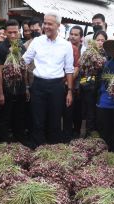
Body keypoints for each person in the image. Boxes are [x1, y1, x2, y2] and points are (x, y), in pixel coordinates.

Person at [22, 12, 74, 147]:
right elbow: (25, 60)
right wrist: (13, 60)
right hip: (38, 85)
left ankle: (53, 148)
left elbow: (69, 70)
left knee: (55, 119)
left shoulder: (65, 45)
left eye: (50, 24)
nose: (46, 26)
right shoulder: (37, 42)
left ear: (58, 26)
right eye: (45, 23)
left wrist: (69, 91)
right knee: (37, 119)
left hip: (57, 86)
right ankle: (37, 148)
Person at [0, 19, 27, 143]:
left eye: (15, 32)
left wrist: (26, 87)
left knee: (19, 117)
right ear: (6, 33)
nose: (13, 35)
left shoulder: (21, 47)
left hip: (20, 89)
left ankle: (19, 141)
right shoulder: (1, 48)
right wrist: (0, 92)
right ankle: (4, 142)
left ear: (19, 31)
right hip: (7, 90)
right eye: (10, 33)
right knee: (5, 118)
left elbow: (23, 69)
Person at [80, 31, 108, 137]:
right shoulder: (87, 53)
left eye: (102, 40)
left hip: (103, 89)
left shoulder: (108, 55)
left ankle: (99, 135)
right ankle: (89, 133)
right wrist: (89, 82)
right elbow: (82, 75)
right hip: (89, 88)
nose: (100, 43)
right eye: (98, 40)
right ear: (93, 41)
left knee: (99, 113)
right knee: (90, 113)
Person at [63, 25, 85, 140]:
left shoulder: (84, 49)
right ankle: (66, 133)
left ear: (81, 37)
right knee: (67, 111)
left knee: (77, 111)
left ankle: (76, 132)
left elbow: (78, 67)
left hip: (79, 84)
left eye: (76, 35)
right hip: (65, 84)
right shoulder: (64, 46)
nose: (73, 37)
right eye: (71, 34)